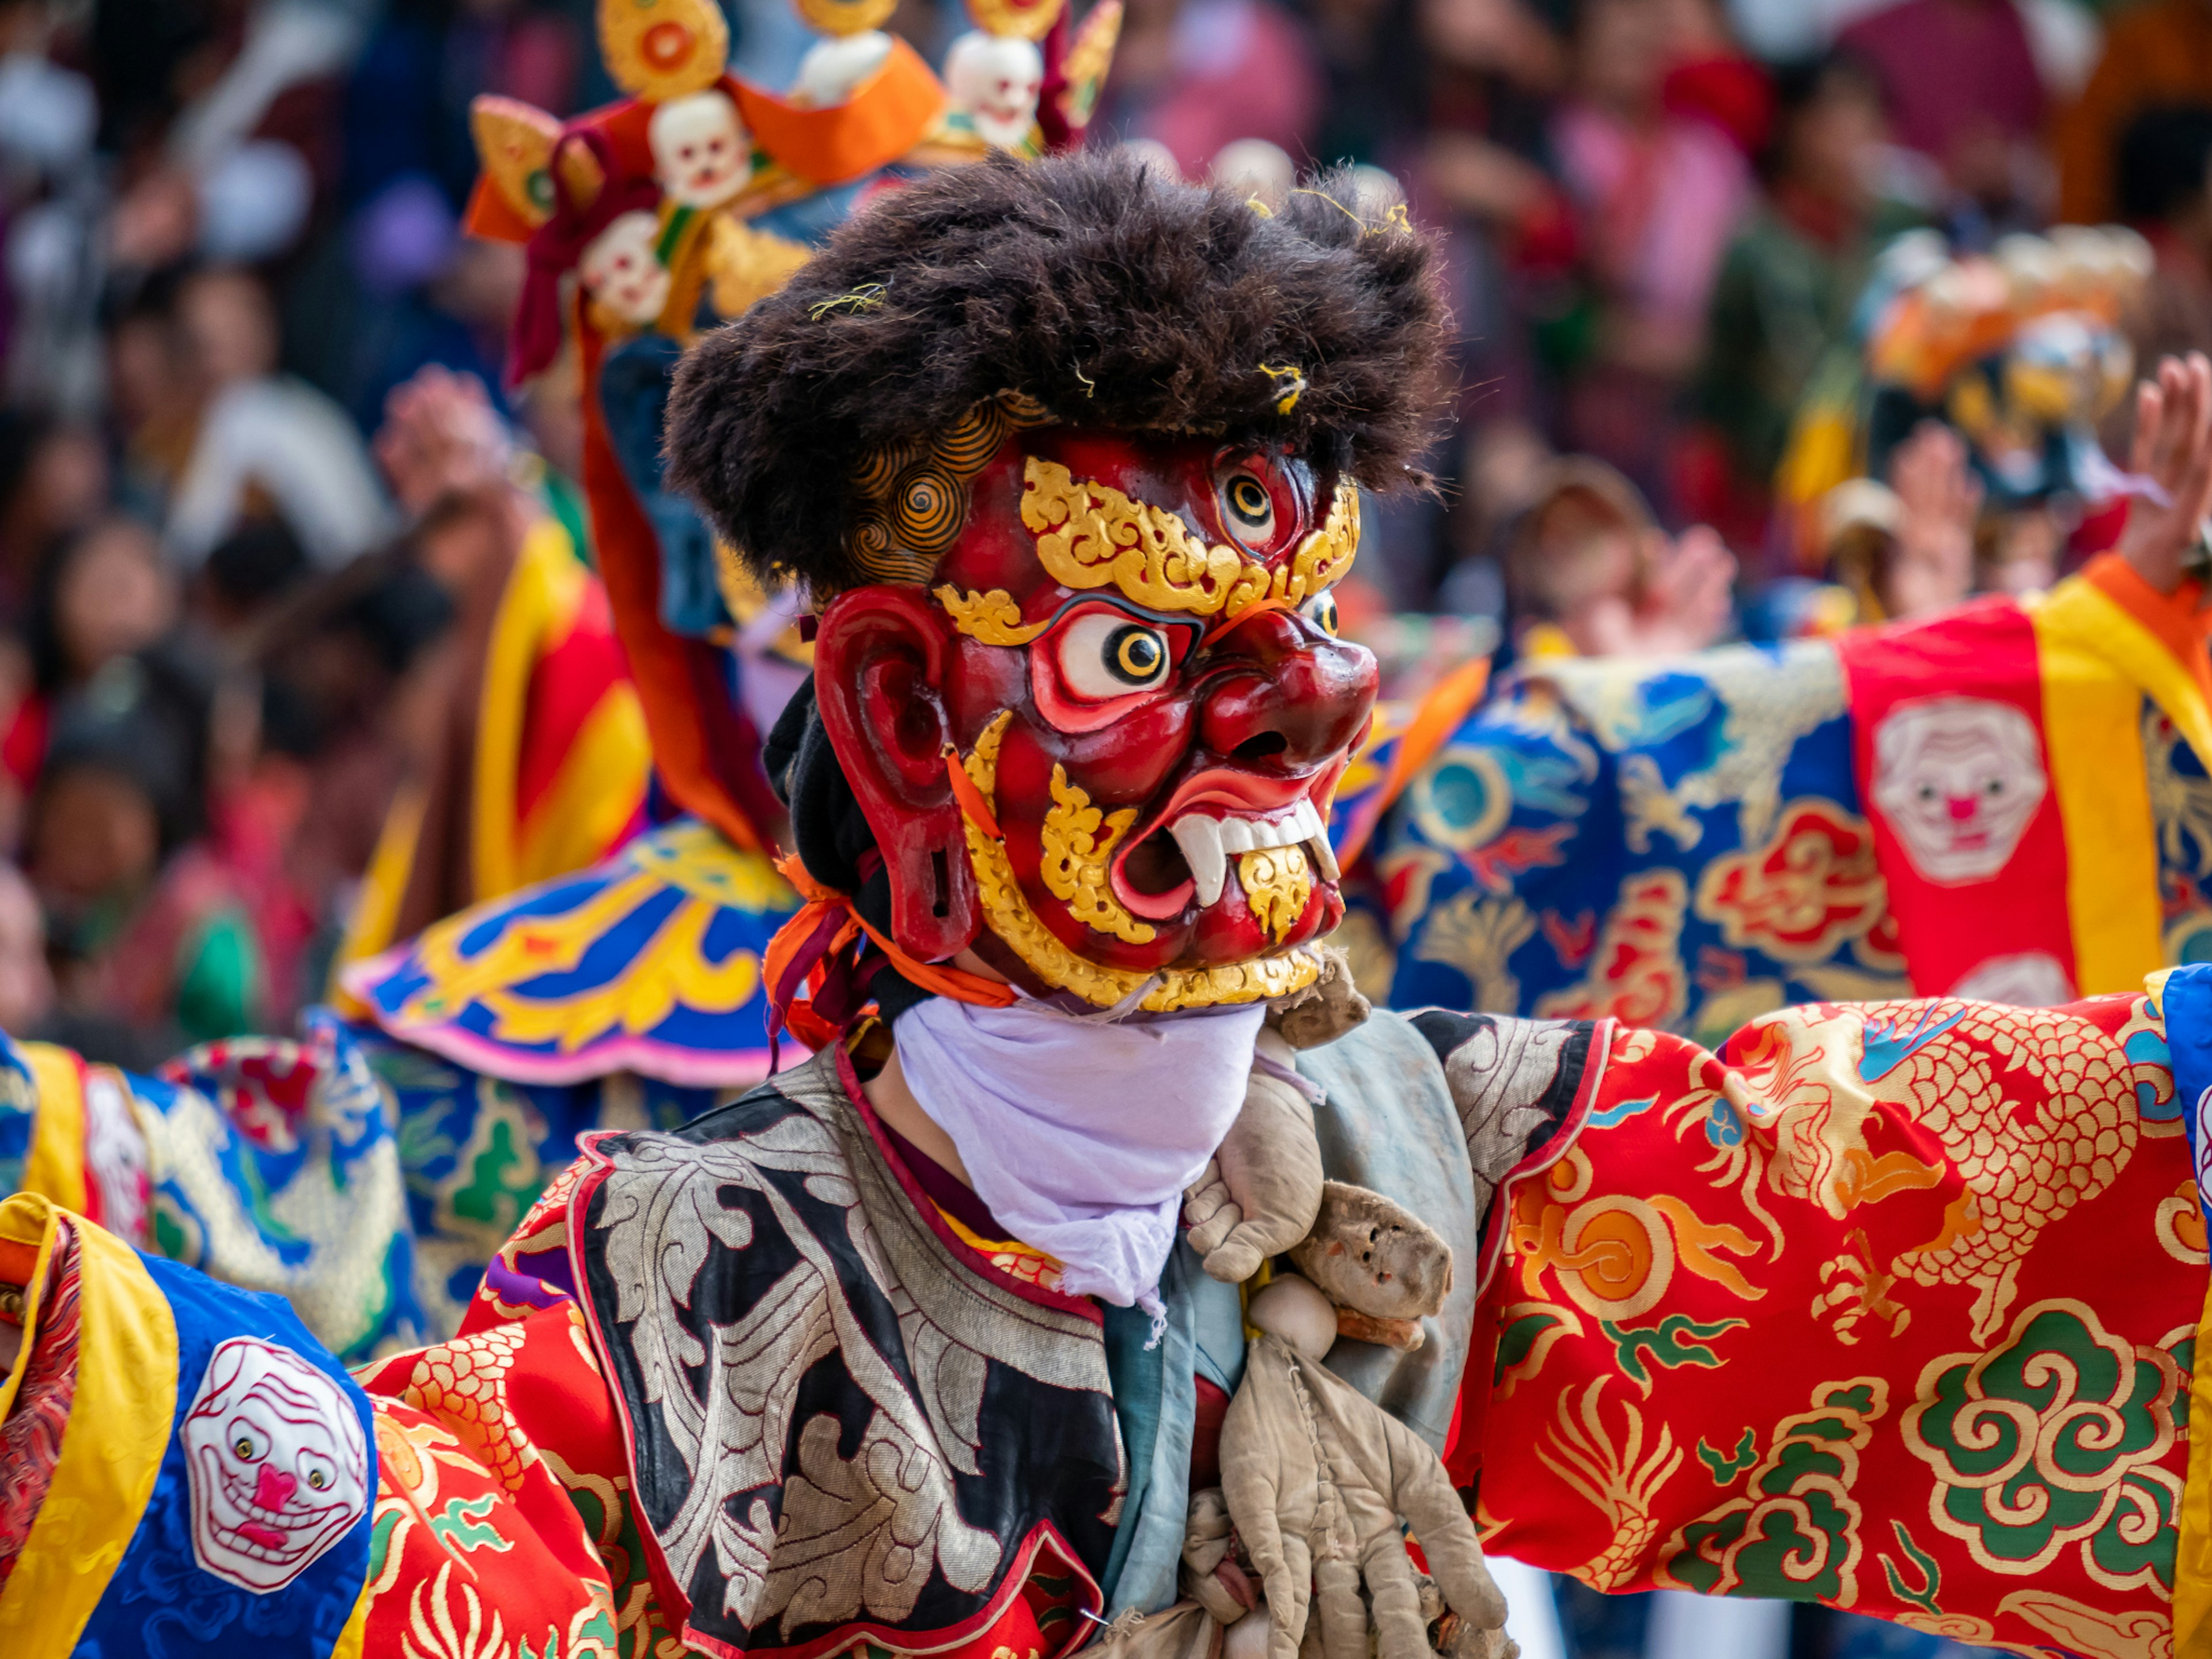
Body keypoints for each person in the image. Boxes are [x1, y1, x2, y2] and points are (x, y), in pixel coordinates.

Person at [6, 150, 2212, 1659]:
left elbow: (1915, 1203)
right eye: (1143, 649)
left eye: (1311, 627)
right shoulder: (688, 1307)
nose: (1316, 710)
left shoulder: (1401, 1177)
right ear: (884, 712)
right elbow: (380, 1533)